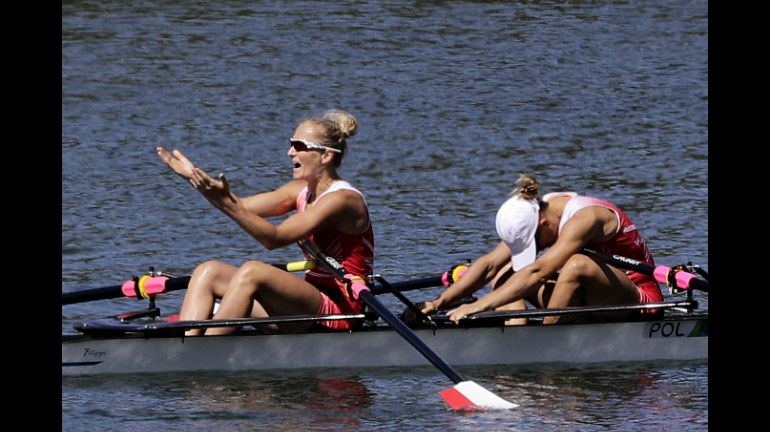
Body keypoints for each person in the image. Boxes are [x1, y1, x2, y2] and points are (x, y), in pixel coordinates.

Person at [156, 109, 374, 335]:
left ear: (326, 156)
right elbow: (239, 206)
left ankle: (207, 353)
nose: (290, 152)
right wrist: (195, 178)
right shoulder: (300, 190)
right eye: (291, 144)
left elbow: (274, 239)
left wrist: (226, 203)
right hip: (306, 300)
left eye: (299, 146)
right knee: (208, 271)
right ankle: (188, 344)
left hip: (341, 310)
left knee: (253, 271)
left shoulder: (343, 200)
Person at [420, 174, 663, 325]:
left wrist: (477, 305)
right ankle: (516, 333)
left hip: (638, 302)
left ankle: (545, 341)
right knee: (506, 273)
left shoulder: (585, 219)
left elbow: (539, 273)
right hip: (595, 298)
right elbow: (488, 265)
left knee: (576, 265)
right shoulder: (536, 212)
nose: (535, 248)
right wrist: (440, 302)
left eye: (535, 242)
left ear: (543, 224)